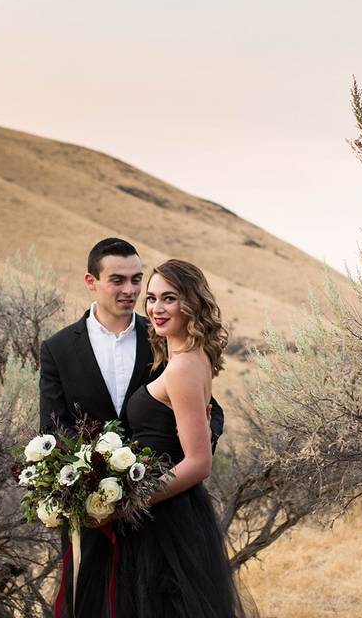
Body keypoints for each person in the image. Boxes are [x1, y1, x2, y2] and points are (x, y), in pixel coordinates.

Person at [39, 239, 225, 618]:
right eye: (118, 280)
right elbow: (53, 431)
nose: (132, 291)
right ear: (92, 281)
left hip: (161, 513)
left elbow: (209, 412)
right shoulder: (58, 348)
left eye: (137, 280)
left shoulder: (162, 338)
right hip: (94, 518)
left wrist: (184, 454)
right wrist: (94, 489)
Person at [108, 259, 249, 617]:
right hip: (171, 512)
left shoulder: (184, 366)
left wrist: (132, 503)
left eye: (169, 298)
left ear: (191, 303)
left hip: (167, 520)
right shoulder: (186, 357)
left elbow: (199, 462)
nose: (156, 308)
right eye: (152, 298)